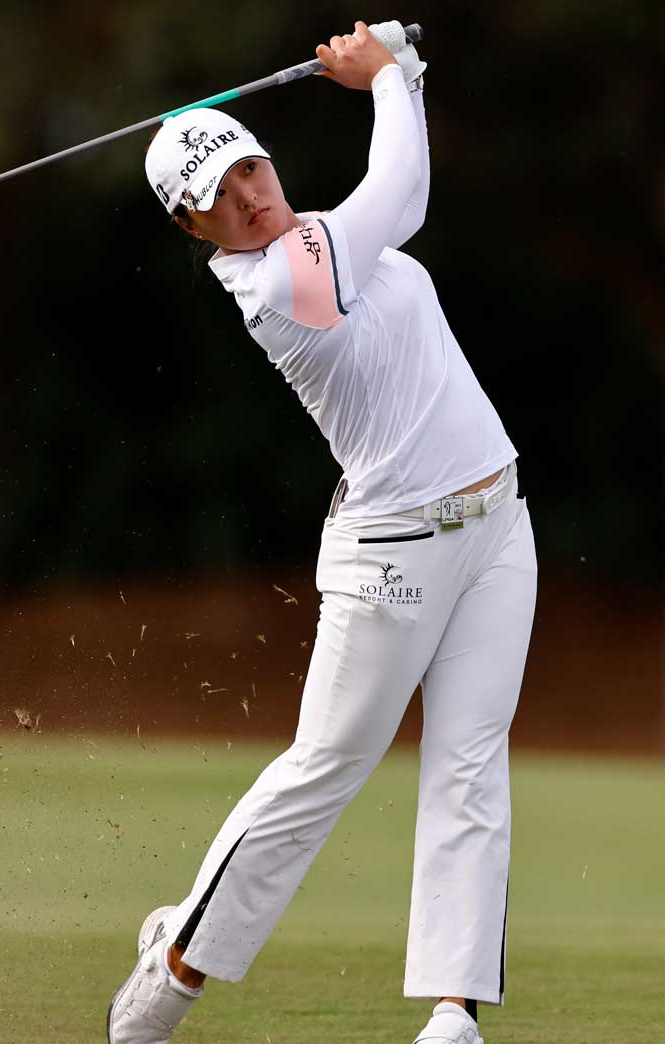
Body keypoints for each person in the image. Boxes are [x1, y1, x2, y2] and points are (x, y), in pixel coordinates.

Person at [108, 21, 536, 1044]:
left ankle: (450, 1014)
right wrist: (386, 76)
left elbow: (390, 194)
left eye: (249, 167)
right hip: (392, 558)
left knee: (470, 765)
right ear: (195, 228)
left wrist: (406, 75)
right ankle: (173, 967)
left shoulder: (330, 237)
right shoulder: (280, 280)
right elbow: (401, 195)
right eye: (223, 197)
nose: (251, 196)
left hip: (495, 527)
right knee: (324, 768)